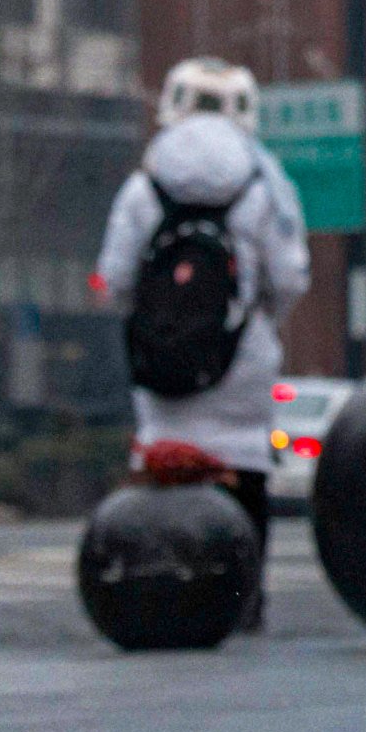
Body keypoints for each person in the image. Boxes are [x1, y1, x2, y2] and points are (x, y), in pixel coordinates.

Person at [95, 57, 310, 620]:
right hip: (241, 355)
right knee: (246, 467)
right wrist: (260, 317)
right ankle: (244, 597)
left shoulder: (144, 187)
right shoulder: (264, 187)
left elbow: (114, 277)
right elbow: (289, 277)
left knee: (162, 459)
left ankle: (164, 590)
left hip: (159, 356)